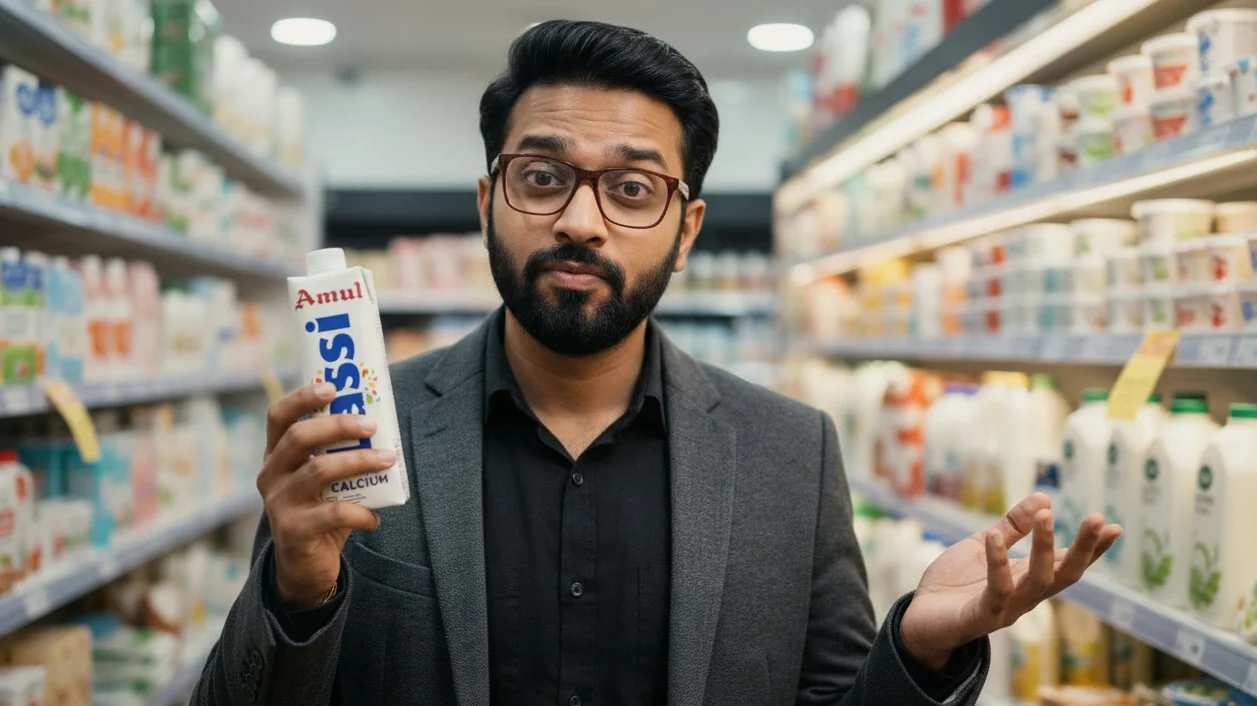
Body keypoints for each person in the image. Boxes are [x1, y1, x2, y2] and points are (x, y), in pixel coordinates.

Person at [194, 20, 1121, 706]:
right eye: (542, 176)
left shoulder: (788, 454)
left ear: (686, 233)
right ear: (487, 202)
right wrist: (296, 596)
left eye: (632, 189)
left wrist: (917, 650)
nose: (580, 221)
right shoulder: (358, 430)